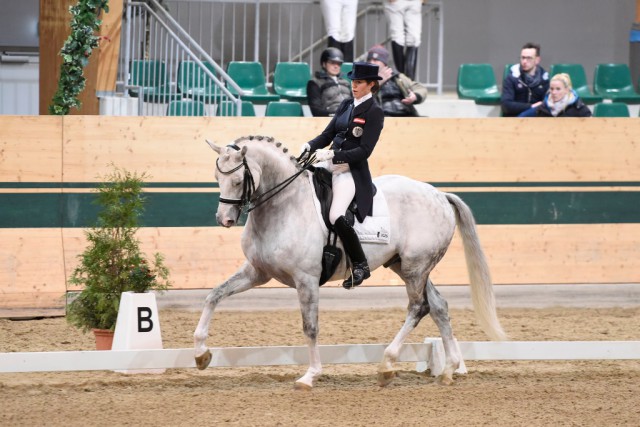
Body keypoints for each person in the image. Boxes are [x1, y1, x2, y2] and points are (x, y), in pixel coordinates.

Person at [299, 62, 384, 289]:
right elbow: (328, 133)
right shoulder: (346, 103)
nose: (353, 86)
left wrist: (333, 155)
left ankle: (360, 265)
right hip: (327, 166)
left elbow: (364, 151)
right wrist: (309, 146)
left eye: (358, 82)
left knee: (337, 215)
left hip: (349, 173)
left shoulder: (374, 112)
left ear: (371, 85)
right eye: (352, 82)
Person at [366, 44, 427, 117]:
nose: (371, 62)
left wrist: (415, 96)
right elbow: (359, 100)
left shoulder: (398, 77)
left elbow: (420, 88)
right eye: (369, 60)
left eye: (376, 60)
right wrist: (377, 83)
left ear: (384, 63)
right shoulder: (363, 79)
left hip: (406, 115)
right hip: (381, 118)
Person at [501, 42, 550, 117]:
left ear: (537, 60)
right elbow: (506, 105)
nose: (524, 61)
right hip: (513, 119)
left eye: (529, 58)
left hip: (536, 120)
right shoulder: (512, 78)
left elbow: (547, 105)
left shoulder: (545, 80)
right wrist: (531, 107)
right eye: (523, 57)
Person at [307, 47, 352, 117]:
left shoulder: (346, 82)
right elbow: (316, 109)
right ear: (324, 64)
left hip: (349, 118)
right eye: (332, 63)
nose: (336, 66)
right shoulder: (315, 83)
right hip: (330, 119)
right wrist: (332, 114)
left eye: (339, 64)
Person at [384, 0, 423, 80]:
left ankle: (409, 82)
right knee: (397, 37)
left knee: (414, 38)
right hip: (395, 3)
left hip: (413, 2)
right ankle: (401, 79)